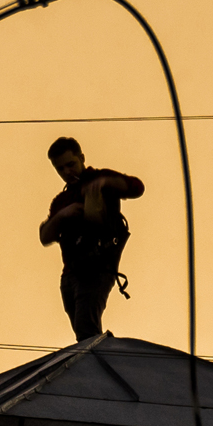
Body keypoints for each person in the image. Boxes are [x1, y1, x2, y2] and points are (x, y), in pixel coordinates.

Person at [38, 136, 145, 341]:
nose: (66, 172)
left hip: (98, 268)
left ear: (82, 158)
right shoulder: (62, 201)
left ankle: (101, 367)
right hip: (71, 273)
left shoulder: (100, 178)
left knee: (86, 330)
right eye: (60, 169)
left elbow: (137, 187)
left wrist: (104, 183)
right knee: (83, 333)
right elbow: (45, 237)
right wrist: (63, 215)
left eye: (70, 164)